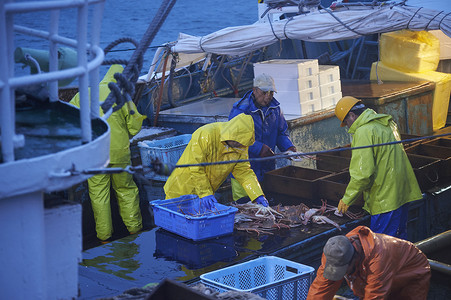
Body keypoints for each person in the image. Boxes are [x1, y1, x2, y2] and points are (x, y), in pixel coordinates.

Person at [70, 64, 146, 242]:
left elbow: (71, 119)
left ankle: (104, 237)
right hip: (120, 153)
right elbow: (135, 125)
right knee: (126, 190)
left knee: (98, 195)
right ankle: (135, 231)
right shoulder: (123, 96)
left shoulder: (83, 94)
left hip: (95, 153)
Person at [334, 96, 422, 239]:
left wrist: (347, 199)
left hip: (385, 199)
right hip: (401, 193)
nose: (348, 126)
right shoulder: (386, 123)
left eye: (346, 122)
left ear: (352, 115)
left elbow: (362, 174)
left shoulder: (363, 132)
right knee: (400, 243)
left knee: (383, 247)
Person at [163, 113, 269, 207]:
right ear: (231, 135)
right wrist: (205, 193)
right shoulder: (205, 134)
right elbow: (195, 166)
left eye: (243, 144)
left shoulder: (241, 146)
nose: (240, 147)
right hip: (181, 189)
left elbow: (244, 172)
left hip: (204, 195)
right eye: (238, 143)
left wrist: (257, 195)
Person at [307, 225, 431, 299]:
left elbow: (374, 296)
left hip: (411, 271)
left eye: (343, 270)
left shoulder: (379, 257)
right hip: (380, 275)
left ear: (354, 259)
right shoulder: (333, 252)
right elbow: (321, 287)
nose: (341, 274)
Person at [228, 73, 296, 202]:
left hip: (267, 170)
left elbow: (281, 132)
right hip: (244, 171)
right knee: (247, 211)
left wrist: (289, 147)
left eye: (271, 93)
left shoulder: (275, 109)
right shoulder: (240, 110)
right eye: (264, 93)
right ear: (255, 90)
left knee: (267, 208)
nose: (268, 97)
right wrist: (258, 148)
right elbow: (233, 139)